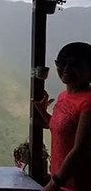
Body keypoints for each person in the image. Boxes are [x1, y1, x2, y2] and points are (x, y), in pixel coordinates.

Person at [34, 42, 91, 191]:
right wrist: (43, 112)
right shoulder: (64, 96)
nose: (66, 69)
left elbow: (81, 149)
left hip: (78, 184)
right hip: (61, 181)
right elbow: (62, 130)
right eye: (62, 63)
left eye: (75, 65)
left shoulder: (88, 102)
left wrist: (54, 184)